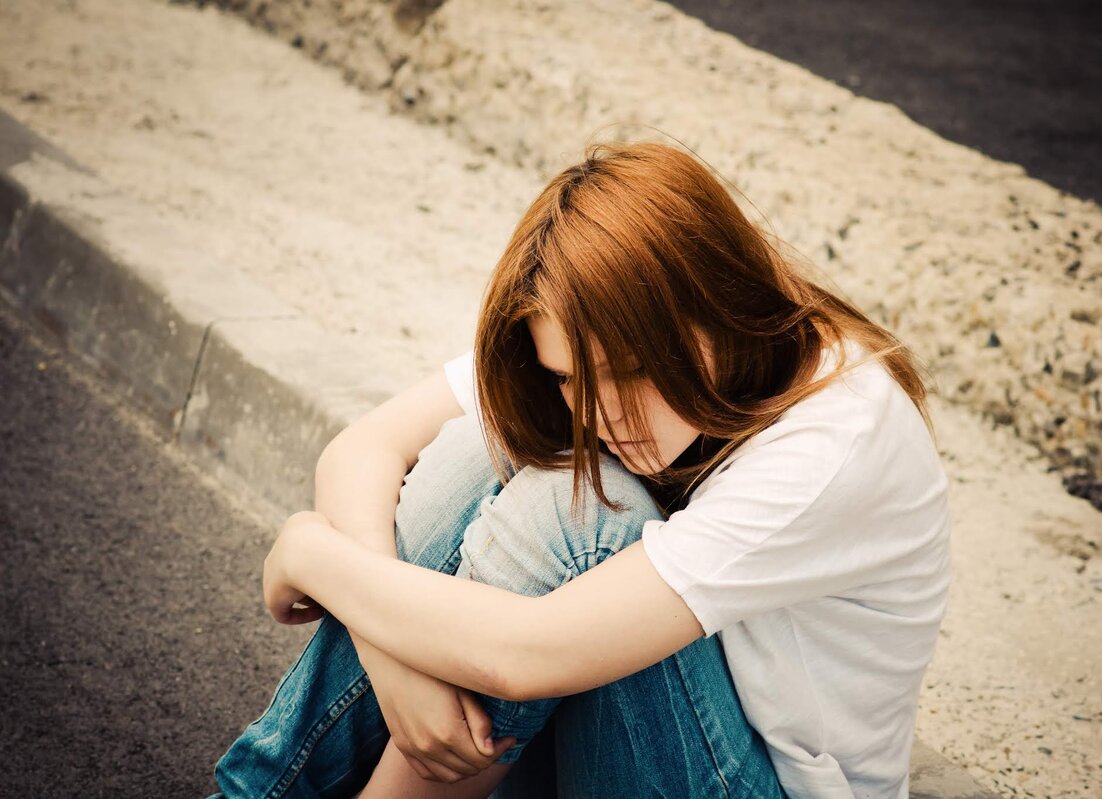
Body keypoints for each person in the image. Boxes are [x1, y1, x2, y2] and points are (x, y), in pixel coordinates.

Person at [209, 140, 952, 799]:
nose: (604, 412)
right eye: (572, 378)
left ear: (712, 304)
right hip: (621, 733)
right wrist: (396, 668)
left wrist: (312, 551)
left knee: (589, 513)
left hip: (757, 779)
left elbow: (524, 655)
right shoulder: (620, 346)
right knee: (482, 446)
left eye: (630, 370)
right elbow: (364, 447)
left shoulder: (837, 436)